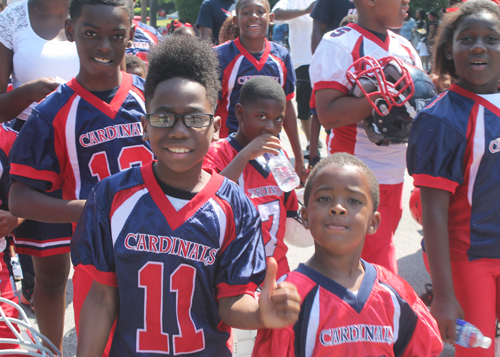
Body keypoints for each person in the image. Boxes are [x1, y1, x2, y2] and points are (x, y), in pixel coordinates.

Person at [71, 34, 301, 357]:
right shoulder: (111, 196)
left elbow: (231, 302)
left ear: (216, 126)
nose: (178, 130)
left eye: (194, 118)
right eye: (164, 117)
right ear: (144, 126)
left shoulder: (235, 206)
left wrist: (261, 314)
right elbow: (101, 297)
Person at [8, 0, 154, 352]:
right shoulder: (51, 112)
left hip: (157, 251)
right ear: (71, 30)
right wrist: (87, 209)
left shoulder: (152, 97)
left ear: (131, 36)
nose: (104, 46)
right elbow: (19, 197)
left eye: (116, 36)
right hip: (97, 259)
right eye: (91, 34)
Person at [252, 153, 443, 356]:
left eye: (354, 200)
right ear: (305, 217)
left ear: (373, 222)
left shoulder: (396, 294)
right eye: (324, 198)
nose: (338, 208)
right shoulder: (288, 299)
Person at [407, 0, 500, 355]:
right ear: (450, 49)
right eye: (467, 39)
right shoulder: (440, 119)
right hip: (469, 258)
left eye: (491, 38)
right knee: (478, 351)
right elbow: (433, 212)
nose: (479, 46)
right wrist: (444, 295)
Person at [309, 0, 422, 274]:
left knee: (373, 258)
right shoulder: (338, 43)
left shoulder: (404, 46)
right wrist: (387, 97)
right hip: (354, 174)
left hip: (395, 173)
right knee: (364, 268)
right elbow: (328, 114)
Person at [0, 0, 79, 351]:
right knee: (49, 276)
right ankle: (54, 350)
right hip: (35, 153)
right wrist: (32, 92)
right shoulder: (12, 17)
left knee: (113, 265)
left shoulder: (92, 7)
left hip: (93, 143)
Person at [204, 76, 299, 280]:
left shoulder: (278, 157)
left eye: (278, 119)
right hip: (233, 276)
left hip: (277, 273)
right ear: (240, 113)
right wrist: (245, 155)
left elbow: (291, 214)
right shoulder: (216, 154)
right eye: (262, 117)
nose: (271, 127)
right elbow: (209, 205)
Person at [214, 0, 306, 182]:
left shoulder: (281, 56)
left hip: (269, 151)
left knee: (271, 206)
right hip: (230, 150)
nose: (254, 16)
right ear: (235, 20)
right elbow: (209, 109)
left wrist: (299, 156)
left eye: (260, 11)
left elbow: (286, 106)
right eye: (246, 12)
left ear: (271, 18)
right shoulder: (221, 56)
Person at [272, 0, 316, 150]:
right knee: (305, 104)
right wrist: (306, 10)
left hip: (330, 59)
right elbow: (275, 15)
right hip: (304, 61)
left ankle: (324, 137)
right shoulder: (293, 2)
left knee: (328, 102)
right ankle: (311, 141)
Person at [0, 122, 24, 353]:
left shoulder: (8, 140)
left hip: (0, 263)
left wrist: (15, 219)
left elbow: (26, 197)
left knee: (8, 344)